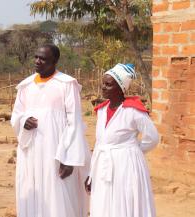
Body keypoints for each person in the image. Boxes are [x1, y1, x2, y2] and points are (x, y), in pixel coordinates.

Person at [11, 44, 91, 217]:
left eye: (43, 59)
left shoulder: (67, 84)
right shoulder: (26, 86)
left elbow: (74, 121)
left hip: (57, 151)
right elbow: (16, 115)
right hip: (31, 151)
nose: (37, 61)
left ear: (54, 61)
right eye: (36, 57)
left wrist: (70, 159)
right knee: (32, 188)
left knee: (58, 191)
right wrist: (23, 121)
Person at [87, 63, 159, 217]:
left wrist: (133, 150)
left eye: (108, 84)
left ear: (121, 88)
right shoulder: (101, 110)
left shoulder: (133, 111)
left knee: (123, 201)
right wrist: (91, 174)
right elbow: (99, 144)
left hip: (126, 165)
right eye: (103, 84)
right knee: (104, 201)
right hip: (102, 164)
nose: (103, 87)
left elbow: (152, 138)